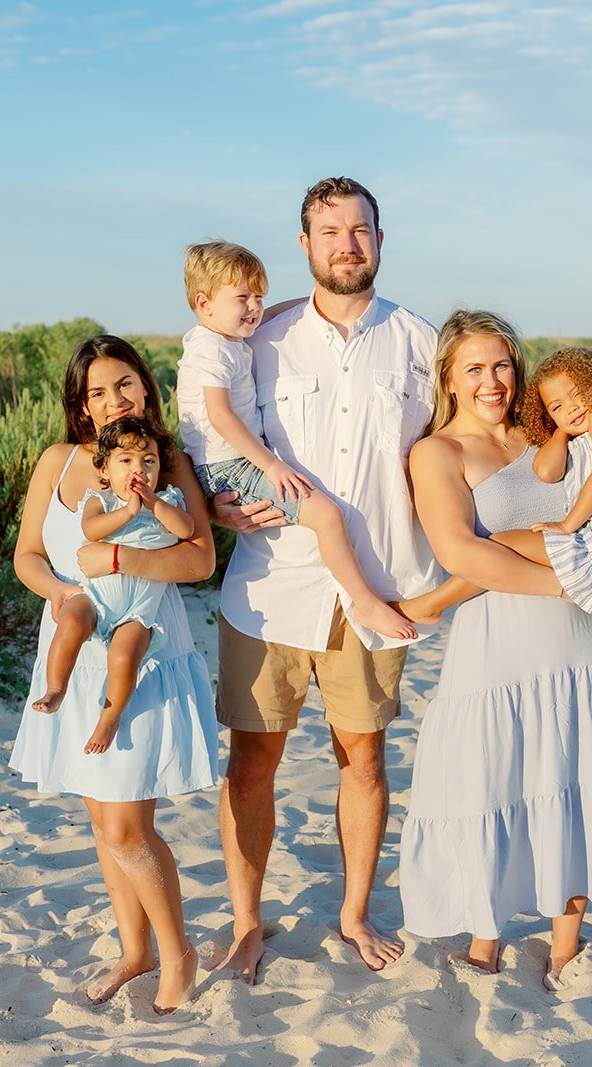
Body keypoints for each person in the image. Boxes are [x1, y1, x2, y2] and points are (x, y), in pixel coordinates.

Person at [210, 177, 443, 982]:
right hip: (270, 585)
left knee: (365, 760)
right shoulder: (259, 341)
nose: (348, 244)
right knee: (252, 762)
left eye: (362, 230)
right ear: (304, 245)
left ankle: (353, 913)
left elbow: (454, 454)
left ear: (383, 240)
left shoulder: (423, 344)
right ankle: (246, 924)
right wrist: (215, 501)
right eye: (330, 231)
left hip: (373, 587)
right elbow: (206, 428)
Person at [400, 310, 592, 992]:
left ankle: (565, 943)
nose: (493, 381)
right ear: (449, 376)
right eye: (475, 368)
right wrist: (569, 583)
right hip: (496, 646)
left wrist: (591, 579)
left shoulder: (549, 427)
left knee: (572, 781)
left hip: (579, 645)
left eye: (503, 364)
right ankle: (487, 934)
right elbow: (461, 550)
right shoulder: (437, 452)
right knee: (493, 781)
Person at [9, 335, 220, 1014]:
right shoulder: (59, 461)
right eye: (97, 391)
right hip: (74, 643)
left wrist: (120, 561)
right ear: (79, 405)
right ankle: (136, 950)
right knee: (103, 824)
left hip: (144, 644)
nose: (111, 401)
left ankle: (177, 951)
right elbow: (29, 554)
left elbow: (198, 560)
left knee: (129, 825)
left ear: (147, 389)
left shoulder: (171, 462)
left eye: (124, 384)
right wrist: (64, 592)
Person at [175, 239, 417, 641]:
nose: (254, 307)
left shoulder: (227, 337)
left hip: (231, 463)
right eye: (242, 298)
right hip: (230, 467)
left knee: (325, 515)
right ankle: (365, 601)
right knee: (326, 516)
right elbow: (220, 416)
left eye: (258, 296)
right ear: (205, 304)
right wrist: (271, 464)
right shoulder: (209, 349)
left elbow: (270, 313)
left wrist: (312, 303)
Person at [400, 346, 592, 625]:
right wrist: (562, 429)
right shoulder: (577, 434)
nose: (572, 407)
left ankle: (432, 604)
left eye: (578, 393)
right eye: (556, 406)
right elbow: (546, 471)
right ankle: (430, 605)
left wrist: (567, 526)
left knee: (499, 543)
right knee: (498, 544)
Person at [31, 415, 196, 755]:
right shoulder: (101, 501)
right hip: (96, 596)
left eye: (148, 461)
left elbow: (186, 530)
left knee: (125, 655)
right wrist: (128, 513)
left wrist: (155, 505)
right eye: (125, 461)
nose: (138, 469)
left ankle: (110, 716)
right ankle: (56, 688)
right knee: (71, 620)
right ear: (105, 470)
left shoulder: (168, 501)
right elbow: (91, 530)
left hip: (140, 608)